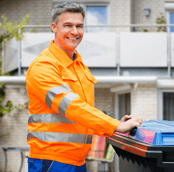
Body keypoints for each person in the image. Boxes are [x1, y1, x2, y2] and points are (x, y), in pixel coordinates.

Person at [25, 2, 143, 172]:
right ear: (54, 27)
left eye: (79, 26)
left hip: (79, 161)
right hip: (52, 161)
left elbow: (85, 115)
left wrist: (114, 127)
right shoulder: (43, 67)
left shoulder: (79, 67)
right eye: (68, 25)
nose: (74, 31)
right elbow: (72, 107)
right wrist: (114, 125)